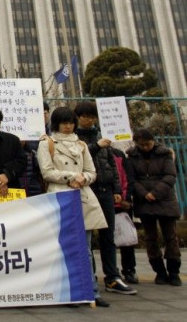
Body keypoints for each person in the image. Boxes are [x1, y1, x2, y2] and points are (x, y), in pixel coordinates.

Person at [37, 106, 110, 307]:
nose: (68, 126)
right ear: (56, 124)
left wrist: (83, 178)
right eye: (64, 123)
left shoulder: (82, 145)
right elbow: (47, 172)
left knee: (85, 248)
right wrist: (70, 178)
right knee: (64, 246)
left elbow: (91, 171)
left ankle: (91, 290)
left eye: (71, 122)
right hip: (60, 195)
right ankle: (69, 290)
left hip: (83, 196)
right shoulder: (47, 144)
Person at [74, 101, 136, 295]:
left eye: (92, 116)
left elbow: (111, 163)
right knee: (87, 236)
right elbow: (77, 158)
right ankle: (89, 276)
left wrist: (116, 188)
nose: (89, 120)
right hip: (87, 189)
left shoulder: (102, 133)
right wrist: (95, 146)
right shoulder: (73, 137)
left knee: (108, 235)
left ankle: (112, 276)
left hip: (105, 189)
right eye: (85, 116)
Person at [127, 128, 182, 286]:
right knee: (151, 238)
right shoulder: (132, 156)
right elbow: (132, 179)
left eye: (148, 144)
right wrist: (144, 194)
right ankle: (159, 271)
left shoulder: (165, 153)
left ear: (153, 140)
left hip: (164, 199)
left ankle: (174, 271)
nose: (145, 147)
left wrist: (156, 193)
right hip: (144, 199)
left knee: (171, 237)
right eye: (141, 145)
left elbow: (170, 176)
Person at [112, 146, 138, 284]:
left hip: (121, 203)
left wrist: (126, 198)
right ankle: (111, 272)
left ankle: (129, 270)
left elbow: (128, 177)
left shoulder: (118, 154)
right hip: (103, 202)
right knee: (107, 241)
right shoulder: (91, 151)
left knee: (126, 239)